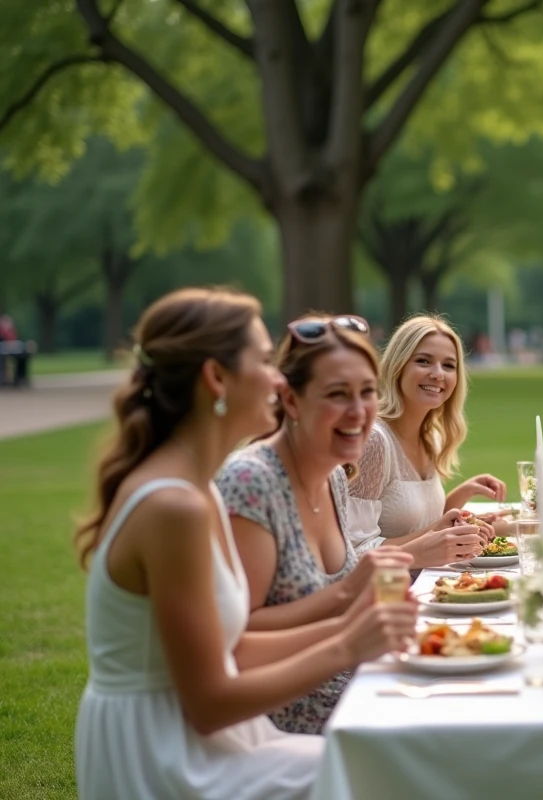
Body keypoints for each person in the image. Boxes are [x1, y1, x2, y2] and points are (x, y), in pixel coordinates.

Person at [73, 288, 416, 800]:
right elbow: (209, 703)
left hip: (203, 736)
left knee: (383, 762)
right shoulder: (176, 506)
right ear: (216, 378)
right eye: (262, 360)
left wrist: (350, 623)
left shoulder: (198, 487)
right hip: (164, 752)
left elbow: (231, 649)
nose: (280, 379)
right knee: (380, 775)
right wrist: (345, 644)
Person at [216, 314, 416, 733]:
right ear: (291, 400)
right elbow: (236, 636)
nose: (359, 412)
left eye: (367, 392)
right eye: (338, 394)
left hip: (360, 691)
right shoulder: (252, 483)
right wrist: (348, 594)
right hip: (290, 723)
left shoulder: (335, 475)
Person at [349, 315, 504, 564]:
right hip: (388, 592)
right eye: (423, 361)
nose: (438, 374)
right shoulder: (374, 441)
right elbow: (352, 552)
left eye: (449, 365)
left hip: (434, 581)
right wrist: (438, 532)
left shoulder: (431, 434)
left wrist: (462, 497)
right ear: (398, 366)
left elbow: (414, 524)